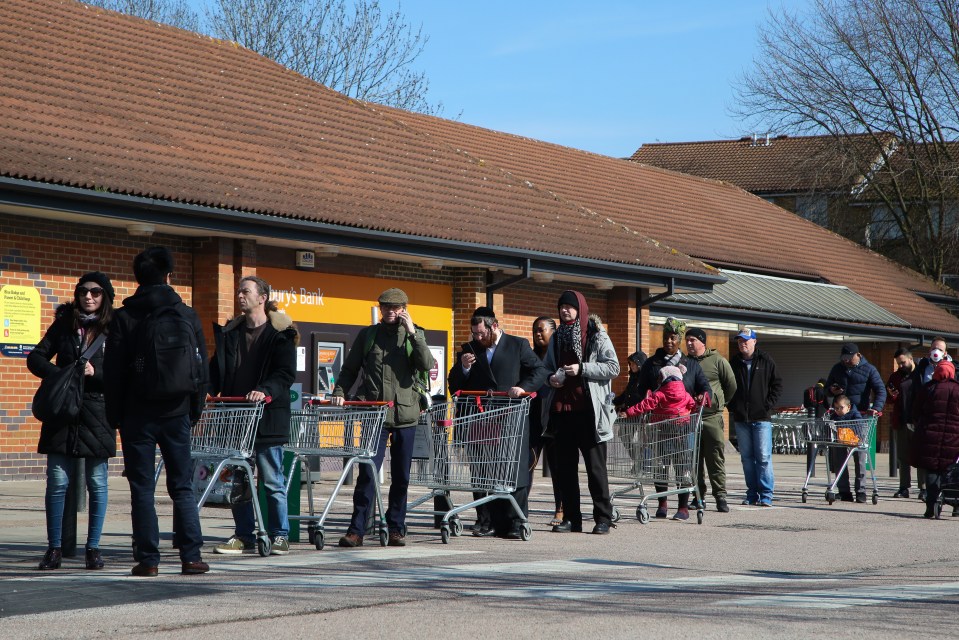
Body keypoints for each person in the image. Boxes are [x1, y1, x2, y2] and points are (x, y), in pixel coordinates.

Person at [104, 246, 209, 577]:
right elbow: (201, 368)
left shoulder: (124, 317)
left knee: (142, 488)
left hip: (137, 414)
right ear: (169, 275)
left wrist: (115, 416)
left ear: (137, 278)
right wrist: (194, 409)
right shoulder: (187, 315)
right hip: (177, 411)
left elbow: (114, 370)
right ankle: (191, 556)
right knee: (182, 486)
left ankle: (148, 559)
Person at [28, 272, 117, 570]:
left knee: (97, 482)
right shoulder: (65, 325)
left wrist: (98, 374)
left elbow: (125, 374)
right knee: (57, 481)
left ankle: (93, 548)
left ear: (105, 297)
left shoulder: (115, 329)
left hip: (98, 412)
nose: (88, 297)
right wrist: (61, 375)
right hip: (62, 412)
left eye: (95, 292)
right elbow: (36, 357)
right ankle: (53, 549)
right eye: (83, 292)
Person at [332, 288, 434, 548]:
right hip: (375, 414)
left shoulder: (415, 334)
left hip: (406, 414)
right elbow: (349, 369)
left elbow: (426, 365)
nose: (390, 311)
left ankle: (396, 528)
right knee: (367, 472)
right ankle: (356, 530)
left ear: (404, 308)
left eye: (395, 307)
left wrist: (413, 333)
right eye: (385, 307)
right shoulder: (369, 336)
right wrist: (340, 391)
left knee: (401, 476)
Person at [211, 276, 298, 556]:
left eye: (245, 291)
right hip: (236, 419)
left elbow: (284, 374)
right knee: (238, 481)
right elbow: (216, 371)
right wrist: (206, 391)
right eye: (239, 291)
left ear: (262, 297)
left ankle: (280, 534)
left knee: (272, 480)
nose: (240, 296)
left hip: (267, 418)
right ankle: (244, 534)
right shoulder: (230, 334)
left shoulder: (279, 335)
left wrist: (264, 391)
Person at [448, 307, 548, 538]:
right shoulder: (470, 349)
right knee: (482, 469)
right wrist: (463, 367)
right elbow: (454, 384)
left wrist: (523, 387)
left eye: (482, 333)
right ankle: (485, 520)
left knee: (512, 468)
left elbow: (539, 371)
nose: (478, 338)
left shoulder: (517, 344)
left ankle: (515, 521)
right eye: (475, 334)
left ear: (494, 326)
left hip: (510, 417)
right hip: (480, 417)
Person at [541, 290, 620, 534]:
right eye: (562, 306)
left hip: (590, 413)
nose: (565, 310)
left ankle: (603, 518)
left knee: (596, 470)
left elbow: (613, 367)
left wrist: (582, 368)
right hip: (562, 412)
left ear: (581, 309)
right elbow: (544, 369)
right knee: (565, 470)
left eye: (570, 306)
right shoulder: (556, 337)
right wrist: (550, 378)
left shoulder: (596, 335)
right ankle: (571, 519)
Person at [634, 317, 711, 520]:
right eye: (666, 337)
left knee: (683, 465)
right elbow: (640, 389)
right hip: (659, 424)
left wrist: (704, 395)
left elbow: (704, 387)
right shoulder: (652, 364)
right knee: (660, 465)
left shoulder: (691, 365)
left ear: (679, 340)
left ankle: (683, 507)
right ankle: (662, 503)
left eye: (673, 337)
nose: (669, 341)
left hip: (684, 425)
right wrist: (644, 397)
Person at [728, 328, 782, 507]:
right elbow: (726, 385)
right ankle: (752, 493)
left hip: (761, 418)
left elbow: (777, 384)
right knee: (747, 458)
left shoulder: (766, 360)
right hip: (741, 418)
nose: (742, 343)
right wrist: (732, 406)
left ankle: (766, 494)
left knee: (763, 457)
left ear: (754, 341)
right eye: (739, 341)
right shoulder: (734, 362)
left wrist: (767, 405)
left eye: (746, 340)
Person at [825, 342, 885, 503]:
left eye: (848, 358)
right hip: (840, 417)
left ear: (857, 355)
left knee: (860, 456)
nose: (845, 361)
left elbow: (880, 390)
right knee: (839, 456)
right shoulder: (837, 368)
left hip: (860, 417)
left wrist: (877, 408)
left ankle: (861, 491)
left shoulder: (869, 369)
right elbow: (826, 389)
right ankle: (844, 491)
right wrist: (831, 391)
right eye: (843, 358)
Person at [685, 327, 737, 513]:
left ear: (702, 342)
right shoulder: (685, 362)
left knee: (715, 458)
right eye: (687, 340)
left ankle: (720, 497)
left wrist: (718, 403)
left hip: (712, 417)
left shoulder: (717, 361)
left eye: (693, 340)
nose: (689, 343)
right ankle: (698, 496)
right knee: (694, 460)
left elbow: (731, 385)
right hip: (690, 418)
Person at [911, 359, 959, 519]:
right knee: (952, 471)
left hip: (930, 436)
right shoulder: (958, 389)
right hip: (954, 438)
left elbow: (915, 412)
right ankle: (956, 505)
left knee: (932, 471)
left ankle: (931, 506)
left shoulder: (929, 388)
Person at [908, 337, 954, 501]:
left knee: (944, 461)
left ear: (946, 353)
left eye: (940, 349)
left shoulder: (955, 377)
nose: (936, 351)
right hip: (929, 422)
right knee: (927, 458)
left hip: (946, 425)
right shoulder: (921, 369)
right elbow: (914, 395)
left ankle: (944, 493)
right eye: (934, 348)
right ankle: (927, 489)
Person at [529, 316, 564, 527]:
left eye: (542, 330)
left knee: (557, 469)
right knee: (527, 465)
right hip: (533, 420)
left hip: (554, 420)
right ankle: (520, 507)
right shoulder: (530, 358)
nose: (538, 334)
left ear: (553, 332)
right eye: (535, 330)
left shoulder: (560, 359)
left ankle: (560, 509)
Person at [886, 349, 917, 498]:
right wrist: (892, 396)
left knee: (921, 456)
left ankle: (924, 489)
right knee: (903, 458)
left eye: (903, 362)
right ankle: (904, 487)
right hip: (901, 421)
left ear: (911, 359)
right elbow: (888, 398)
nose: (901, 366)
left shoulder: (921, 374)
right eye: (898, 363)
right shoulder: (895, 376)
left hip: (919, 421)